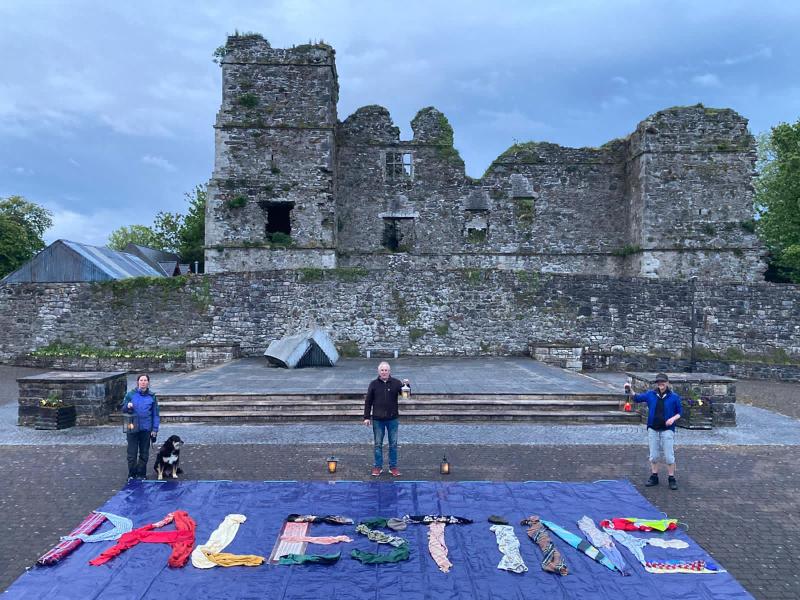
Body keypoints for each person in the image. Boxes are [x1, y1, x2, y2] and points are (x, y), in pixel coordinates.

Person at [625, 373, 682, 490]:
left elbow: (680, 412)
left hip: (667, 430)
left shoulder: (674, 397)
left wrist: (672, 419)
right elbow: (636, 398)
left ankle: (671, 478)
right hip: (653, 429)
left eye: (663, 382)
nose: (661, 384)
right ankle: (654, 476)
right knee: (654, 456)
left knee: (669, 456)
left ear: (667, 383)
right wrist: (630, 389)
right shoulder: (651, 394)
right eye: (658, 382)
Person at [363, 361, 409, 477]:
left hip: (392, 418)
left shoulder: (396, 383)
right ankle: (378, 467)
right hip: (378, 419)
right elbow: (368, 401)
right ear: (379, 372)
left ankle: (393, 467)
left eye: (386, 370)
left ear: (389, 371)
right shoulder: (373, 384)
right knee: (378, 444)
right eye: (382, 370)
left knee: (393, 444)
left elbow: (406, 397)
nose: (384, 372)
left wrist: (406, 386)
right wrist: (366, 417)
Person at [122, 373, 160, 480]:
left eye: (145, 380)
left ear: (148, 382)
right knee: (132, 453)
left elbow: (155, 414)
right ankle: (132, 474)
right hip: (132, 428)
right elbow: (123, 408)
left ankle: (141, 474)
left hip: (146, 429)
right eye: (141, 380)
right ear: (138, 382)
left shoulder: (152, 396)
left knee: (144, 453)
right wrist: (127, 406)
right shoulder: (130, 394)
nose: (143, 382)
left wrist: (155, 429)